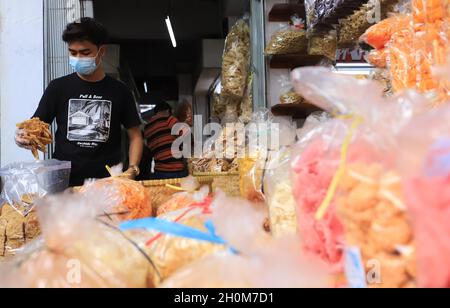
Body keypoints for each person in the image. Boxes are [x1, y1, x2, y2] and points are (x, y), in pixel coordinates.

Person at [15, 18, 143, 186]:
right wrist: (22, 137)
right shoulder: (58, 87)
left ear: (101, 51)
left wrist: (132, 170)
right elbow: (35, 127)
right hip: (63, 182)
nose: (78, 58)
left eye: (85, 52)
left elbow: (135, 136)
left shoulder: (120, 91)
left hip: (108, 182)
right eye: (73, 53)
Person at [144, 102, 188, 180]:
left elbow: (150, 148)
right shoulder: (168, 119)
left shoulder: (147, 127)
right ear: (168, 111)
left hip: (159, 171)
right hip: (175, 170)